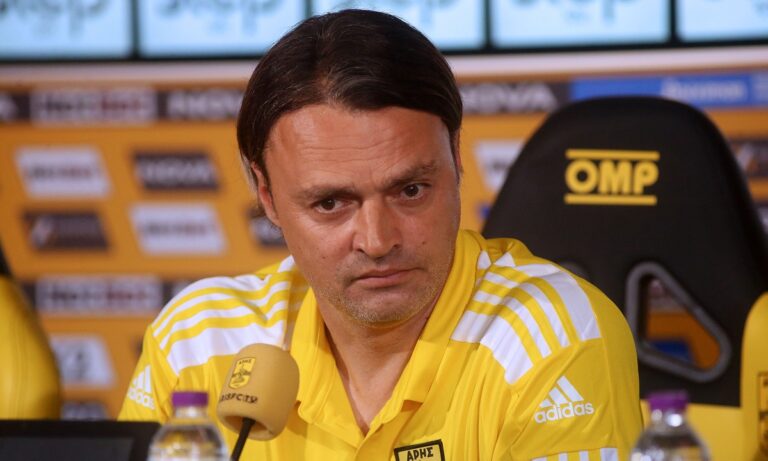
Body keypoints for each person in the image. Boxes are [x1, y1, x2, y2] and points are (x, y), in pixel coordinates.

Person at [120, 9, 642, 460]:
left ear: (456, 160)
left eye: (410, 190)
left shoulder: (550, 336)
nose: (376, 240)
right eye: (330, 203)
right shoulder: (198, 342)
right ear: (268, 196)